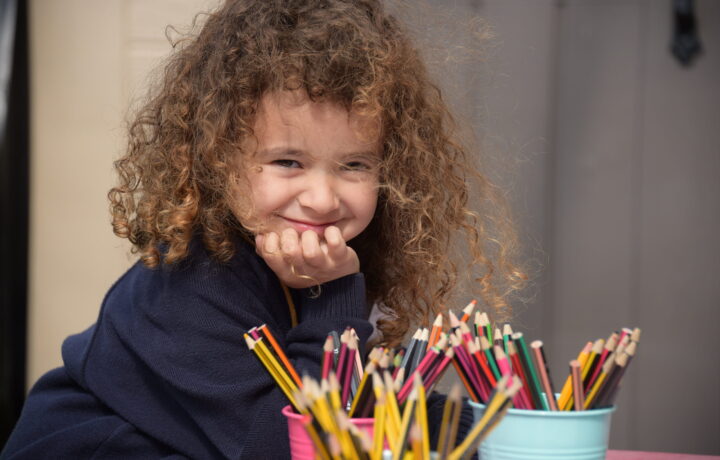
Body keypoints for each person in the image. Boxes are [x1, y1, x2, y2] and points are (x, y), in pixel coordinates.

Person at [2, 0, 526, 458]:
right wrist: (334, 296)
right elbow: (293, 447)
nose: (322, 199)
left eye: (355, 166)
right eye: (287, 162)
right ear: (216, 160)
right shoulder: (196, 282)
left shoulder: (307, 258)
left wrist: (488, 434)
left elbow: (358, 403)